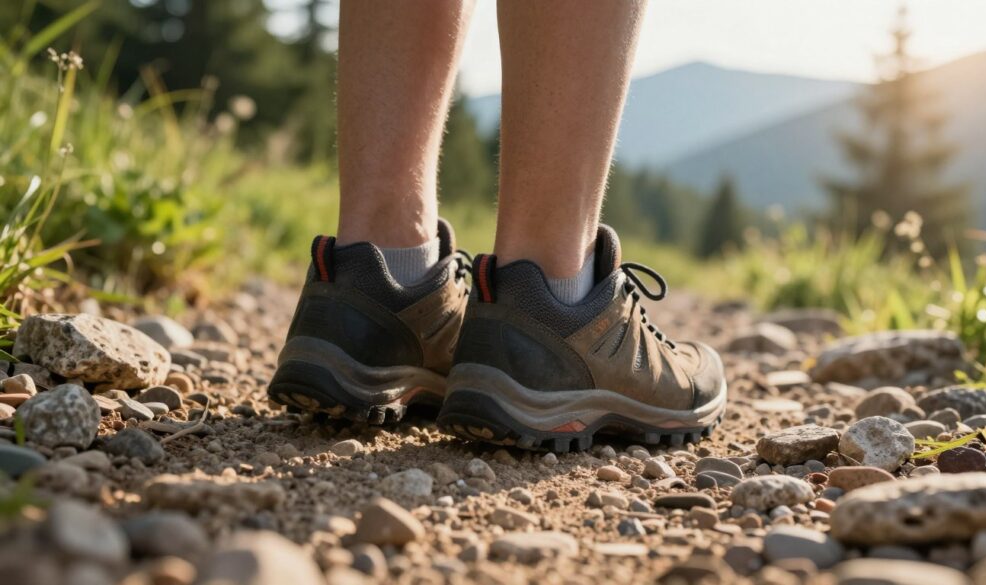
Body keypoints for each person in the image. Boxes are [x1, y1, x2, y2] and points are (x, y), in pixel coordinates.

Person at [268, 0, 727, 452]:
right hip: (551, 331)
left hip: (341, 291)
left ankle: (369, 284)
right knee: (544, 273)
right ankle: (552, 292)